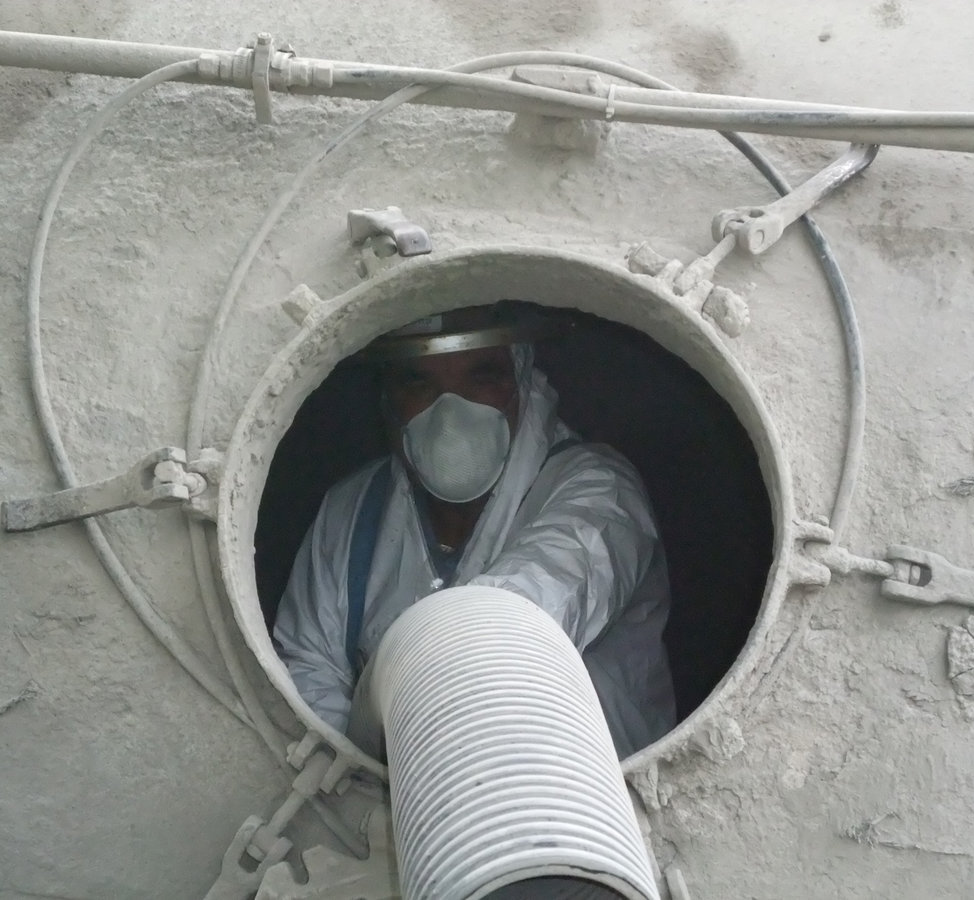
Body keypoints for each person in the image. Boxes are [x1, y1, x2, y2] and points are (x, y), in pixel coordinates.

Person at [272, 305, 675, 757]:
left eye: (481, 376)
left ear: (520, 380)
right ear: (389, 399)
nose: (450, 413)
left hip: (579, 802)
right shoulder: (352, 509)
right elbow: (308, 666)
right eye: (418, 382)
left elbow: (510, 632)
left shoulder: (601, 494)